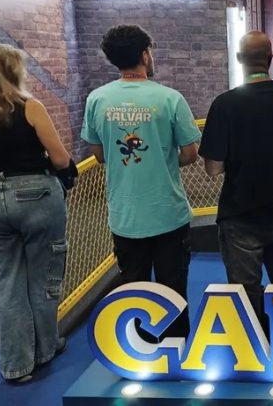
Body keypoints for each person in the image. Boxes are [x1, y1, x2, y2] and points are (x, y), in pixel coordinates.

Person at [81, 25, 201, 341]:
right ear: (145, 54)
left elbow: (98, 154)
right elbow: (190, 153)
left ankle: (139, 347)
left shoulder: (96, 99)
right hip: (168, 213)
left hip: (125, 216)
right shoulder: (170, 98)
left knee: (133, 289)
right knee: (173, 287)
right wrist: (163, 161)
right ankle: (175, 345)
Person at [0, 44, 71, 382]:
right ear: (13, 71)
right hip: (36, 194)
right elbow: (60, 158)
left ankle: (15, 366)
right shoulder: (30, 107)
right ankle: (45, 349)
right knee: (43, 277)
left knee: (5, 284)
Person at [199, 31, 273, 332]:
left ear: (239, 59)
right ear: (271, 59)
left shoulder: (224, 104)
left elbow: (213, 169)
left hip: (240, 214)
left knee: (245, 293)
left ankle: (254, 345)